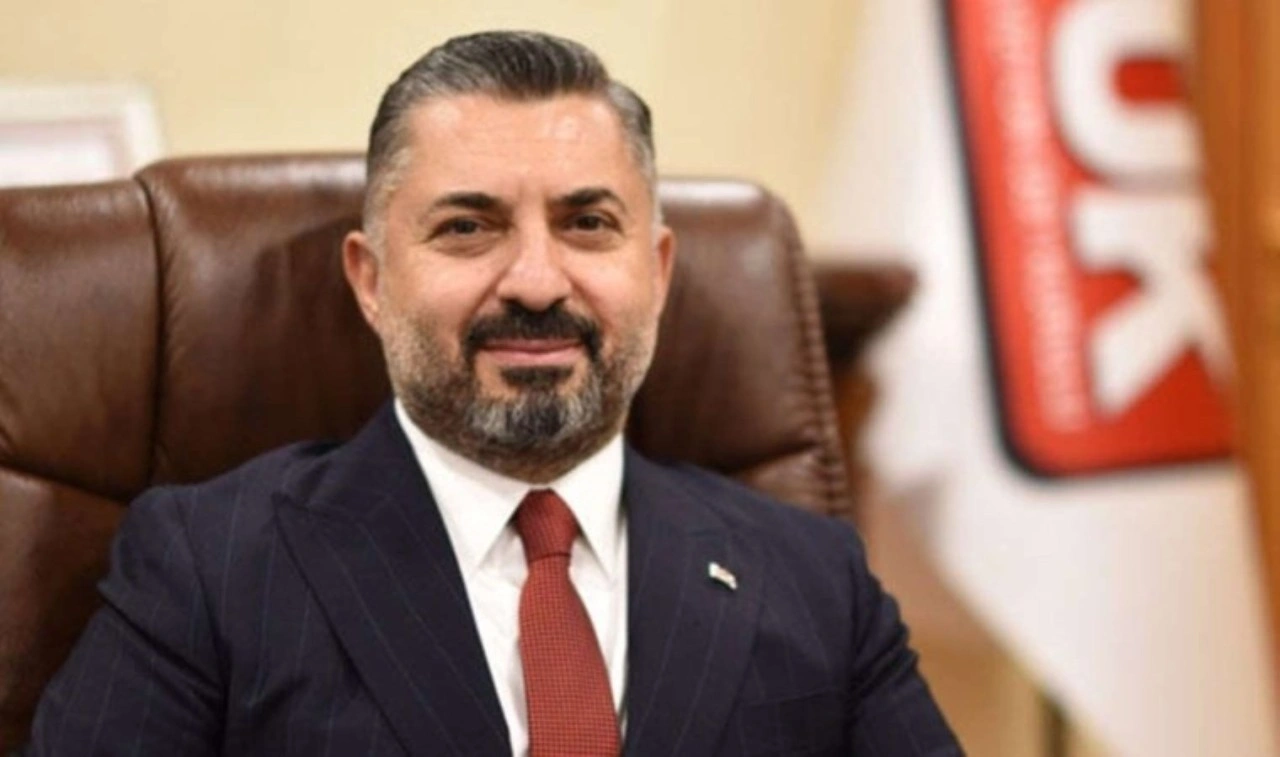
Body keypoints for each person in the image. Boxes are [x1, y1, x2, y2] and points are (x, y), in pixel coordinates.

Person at [27, 31, 960, 756]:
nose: (538, 282)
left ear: (659, 271)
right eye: (468, 227)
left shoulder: (815, 577)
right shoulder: (210, 567)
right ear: (371, 280)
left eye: (587, 222)